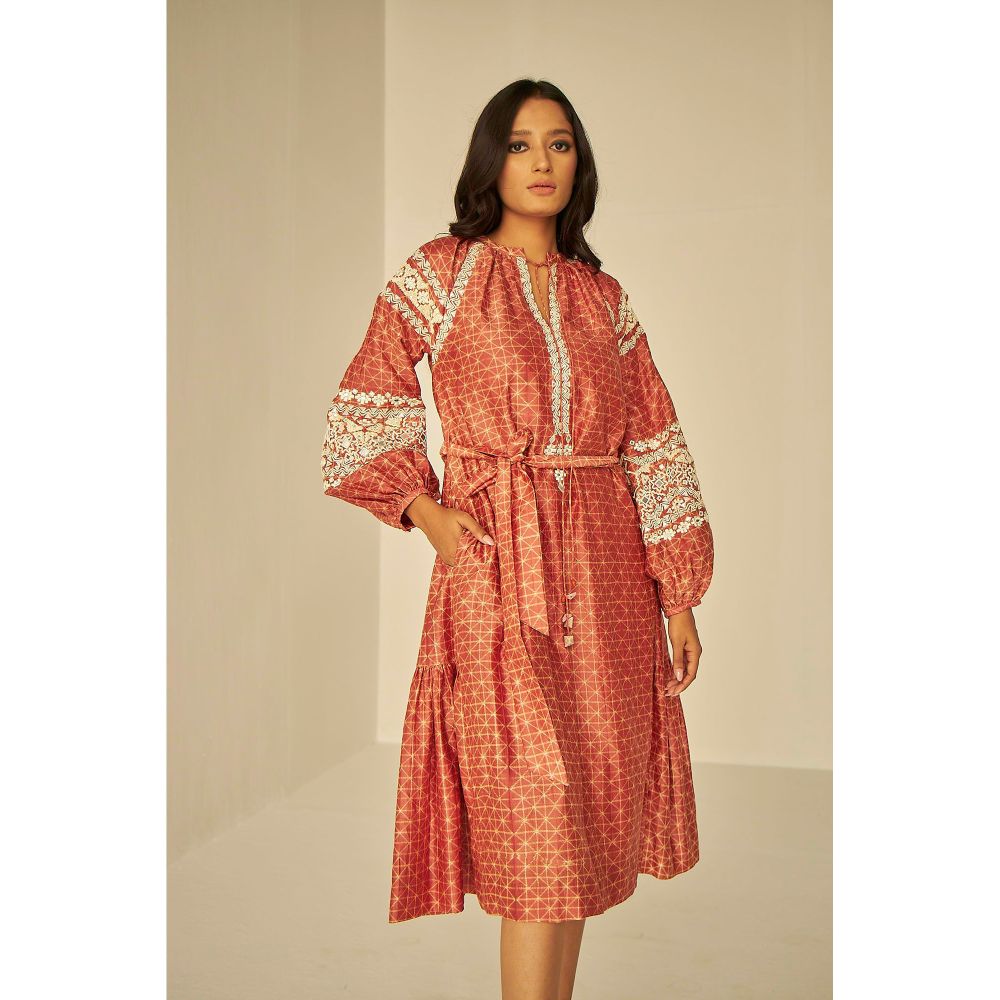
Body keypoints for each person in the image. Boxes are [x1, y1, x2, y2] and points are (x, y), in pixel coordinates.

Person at [321, 79, 714, 1000]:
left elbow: (654, 440)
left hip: (610, 580)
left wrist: (679, 594)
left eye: (560, 144)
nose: (542, 162)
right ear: (489, 160)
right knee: (535, 811)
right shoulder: (443, 273)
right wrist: (425, 511)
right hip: (500, 571)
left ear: (580, 164)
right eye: (521, 144)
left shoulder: (604, 298)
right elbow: (362, 405)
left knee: (583, 816)